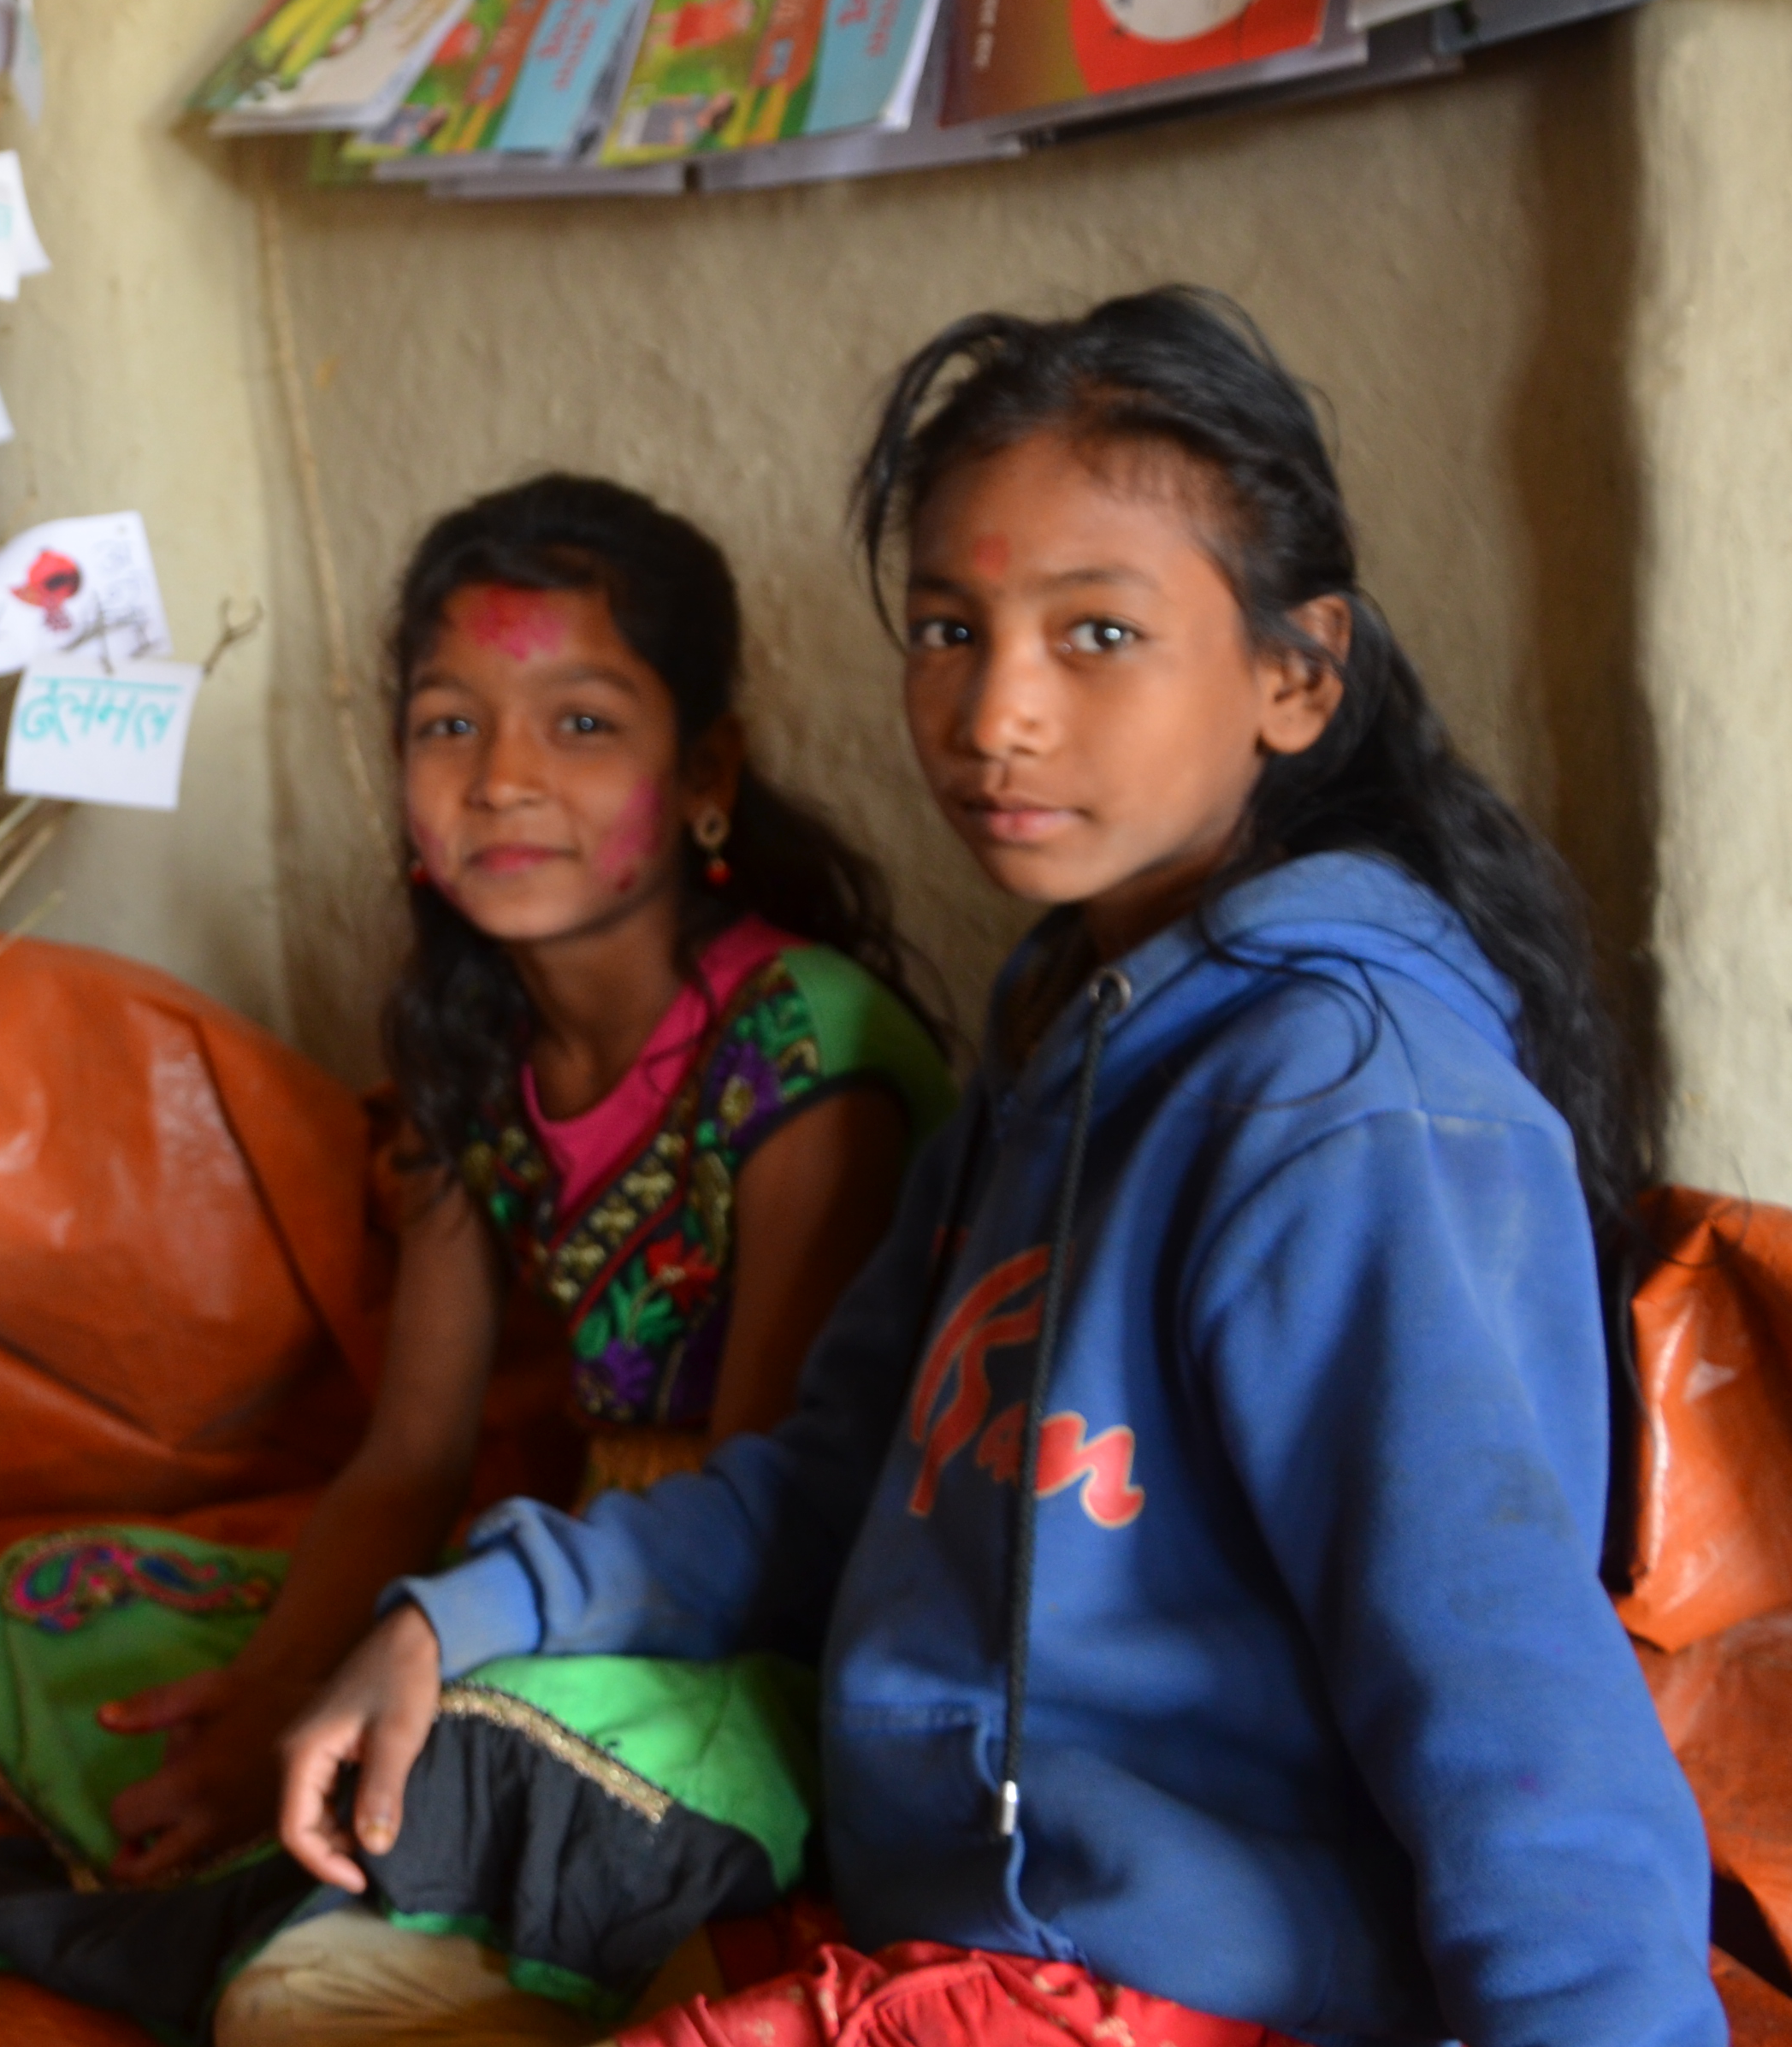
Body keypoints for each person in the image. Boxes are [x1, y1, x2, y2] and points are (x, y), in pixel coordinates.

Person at [275, 292, 1714, 2047]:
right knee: (305, 1979)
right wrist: (468, 1614)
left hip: (1180, 1989)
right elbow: (831, 1477)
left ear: (1295, 673)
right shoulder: (1056, 1041)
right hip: (939, 1921)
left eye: (1094, 634)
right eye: (949, 629)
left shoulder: (1344, 1115)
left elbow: (1516, 1724)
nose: (992, 715)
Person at [0, 476, 954, 2042]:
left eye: (581, 725)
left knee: (478, 1740)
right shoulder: (465, 1050)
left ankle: (317, 1879)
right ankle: (307, 1862)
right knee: (59, 1597)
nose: (503, 779)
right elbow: (408, 1455)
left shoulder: (806, 1056)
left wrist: (403, 1667)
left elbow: (773, 1528)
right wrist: (280, 1704)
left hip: (753, 1630)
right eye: (449, 725)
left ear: (706, 772)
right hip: (549, 1576)